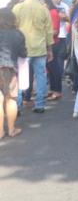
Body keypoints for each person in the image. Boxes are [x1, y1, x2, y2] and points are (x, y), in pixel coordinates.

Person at [12, 0, 53, 113]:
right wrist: (50, 49)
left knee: (21, 77)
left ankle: (17, 105)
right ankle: (39, 104)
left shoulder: (18, 7)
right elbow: (48, 31)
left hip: (23, 48)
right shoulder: (44, 9)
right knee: (41, 76)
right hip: (40, 47)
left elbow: (13, 27)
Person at [0, 8, 27, 138]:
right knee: (10, 99)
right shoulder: (17, 34)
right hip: (9, 69)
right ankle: (11, 130)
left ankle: (0, 132)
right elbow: (23, 53)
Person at [51, 0, 70, 101]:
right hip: (53, 37)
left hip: (62, 36)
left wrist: (63, 17)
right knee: (51, 63)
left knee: (59, 61)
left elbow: (69, 18)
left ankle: (57, 87)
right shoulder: (50, 6)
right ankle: (53, 86)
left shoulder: (65, 6)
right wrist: (58, 16)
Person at [41, 0, 61, 101]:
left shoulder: (52, 13)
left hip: (53, 43)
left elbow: (55, 31)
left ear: (47, 4)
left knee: (54, 67)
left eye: (42, 3)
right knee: (49, 67)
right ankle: (52, 89)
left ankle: (57, 90)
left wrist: (41, 35)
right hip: (48, 43)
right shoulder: (48, 13)